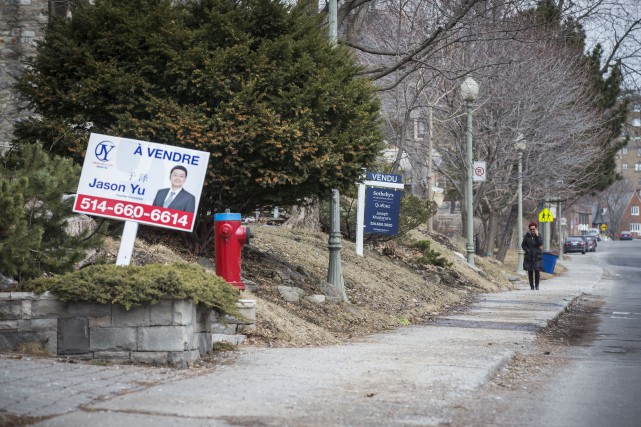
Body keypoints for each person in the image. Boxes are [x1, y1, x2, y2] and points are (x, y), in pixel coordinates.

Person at [521, 221, 543, 290]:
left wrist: (537, 236)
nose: (532, 230)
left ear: (536, 229)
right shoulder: (527, 236)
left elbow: (540, 243)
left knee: (537, 271)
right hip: (529, 256)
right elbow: (523, 245)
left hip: (537, 256)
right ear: (529, 229)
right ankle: (531, 286)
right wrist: (527, 250)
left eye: (534, 229)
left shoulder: (538, 235)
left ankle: (537, 285)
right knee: (530, 271)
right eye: (531, 229)